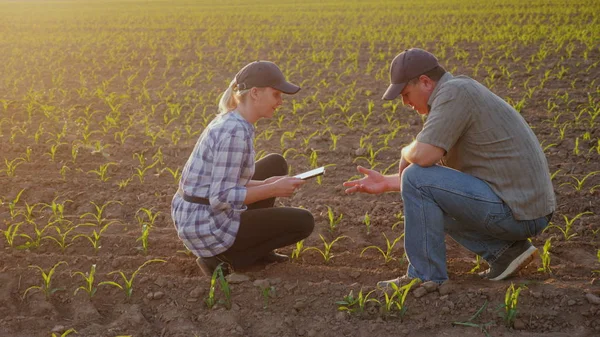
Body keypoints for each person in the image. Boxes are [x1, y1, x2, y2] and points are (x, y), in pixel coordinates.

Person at [343, 48, 555, 287]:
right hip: (522, 207)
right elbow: (438, 181)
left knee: (415, 175)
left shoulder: (454, 93)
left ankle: (425, 276)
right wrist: (388, 182)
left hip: (517, 210)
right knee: (422, 188)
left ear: (425, 82)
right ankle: (505, 253)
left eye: (405, 94)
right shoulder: (457, 92)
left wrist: (405, 152)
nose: (405, 103)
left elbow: (423, 158)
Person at [172, 61, 314, 276]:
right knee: (304, 222)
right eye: (276, 94)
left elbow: (228, 180)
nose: (280, 102)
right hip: (205, 225)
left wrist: (267, 183)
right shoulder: (234, 133)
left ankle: (259, 249)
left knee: (275, 164)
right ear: (255, 93)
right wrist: (273, 189)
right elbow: (221, 197)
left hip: (196, 213)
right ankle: (223, 260)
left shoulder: (233, 120)